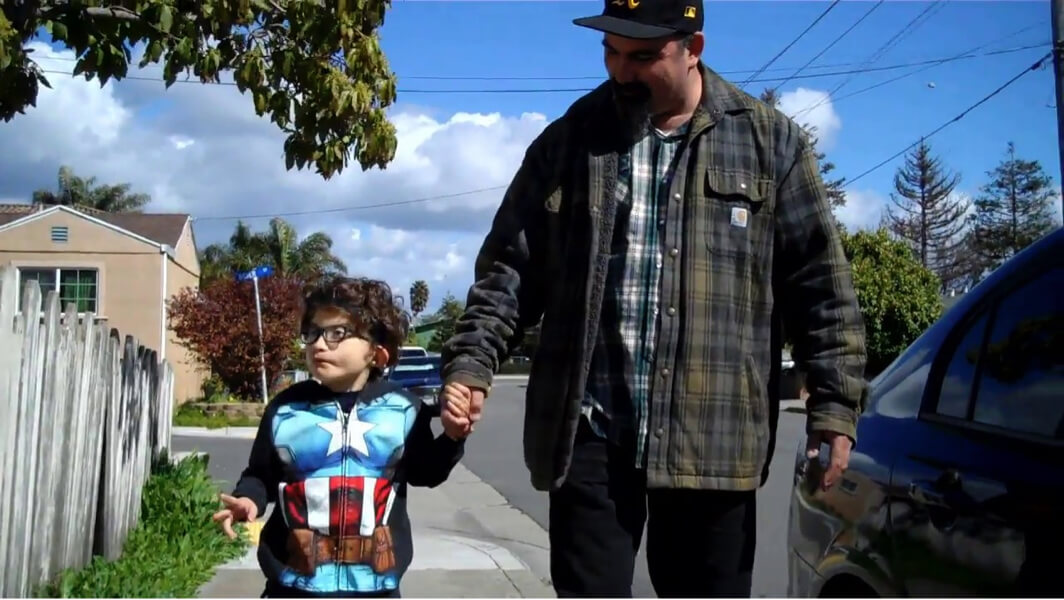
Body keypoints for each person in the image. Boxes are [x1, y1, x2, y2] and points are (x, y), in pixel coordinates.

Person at [438, 0, 868, 597]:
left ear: (694, 47)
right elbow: (510, 270)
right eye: (610, 52)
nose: (621, 71)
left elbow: (820, 286)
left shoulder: (771, 144)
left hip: (713, 441)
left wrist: (834, 408)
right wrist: (471, 364)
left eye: (643, 56)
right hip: (590, 432)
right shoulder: (569, 141)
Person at [212, 276, 471, 598]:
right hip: (291, 585)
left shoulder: (403, 409)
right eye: (313, 333)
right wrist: (248, 499)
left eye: (337, 334)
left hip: (375, 586)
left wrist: (451, 437)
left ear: (378, 354)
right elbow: (261, 474)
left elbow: (424, 473)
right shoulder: (286, 409)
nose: (319, 344)